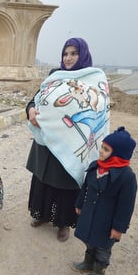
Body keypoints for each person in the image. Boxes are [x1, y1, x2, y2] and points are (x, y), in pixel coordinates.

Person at [26, 38, 110, 242]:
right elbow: (35, 100)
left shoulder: (93, 79)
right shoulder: (55, 76)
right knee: (43, 181)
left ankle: (63, 223)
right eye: (65, 54)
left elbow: (99, 109)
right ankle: (42, 215)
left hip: (72, 144)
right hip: (47, 142)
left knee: (65, 184)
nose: (69, 58)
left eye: (73, 53)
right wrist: (30, 111)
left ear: (83, 55)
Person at [72, 126, 138, 275]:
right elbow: (85, 187)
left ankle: (98, 272)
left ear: (118, 155)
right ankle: (88, 262)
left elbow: (126, 206)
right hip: (90, 213)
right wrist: (80, 204)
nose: (101, 151)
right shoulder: (95, 167)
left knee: (102, 247)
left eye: (106, 149)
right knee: (90, 240)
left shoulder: (127, 177)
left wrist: (119, 228)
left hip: (107, 220)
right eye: (102, 147)